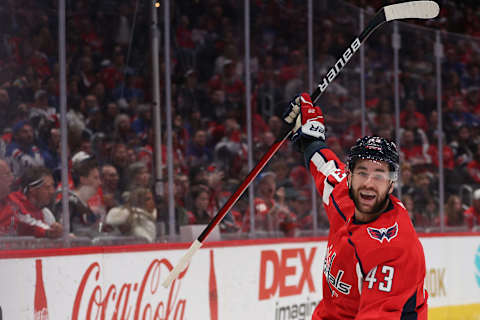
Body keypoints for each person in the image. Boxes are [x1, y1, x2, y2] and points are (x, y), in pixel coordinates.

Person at [283, 93, 427, 319]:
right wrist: (311, 136)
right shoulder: (343, 196)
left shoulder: (394, 248)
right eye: (362, 173)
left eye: (379, 175)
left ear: (391, 185)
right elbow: (327, 168)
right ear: (349, 177)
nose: (369, 183)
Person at [12, 166, 63, 238]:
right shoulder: (14, 206)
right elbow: (27, 223)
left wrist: (60, 232)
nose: (52, 191)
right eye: (47, 187)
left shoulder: (46, 213)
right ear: (32, 189)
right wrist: (50, 231)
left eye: (52, 186)